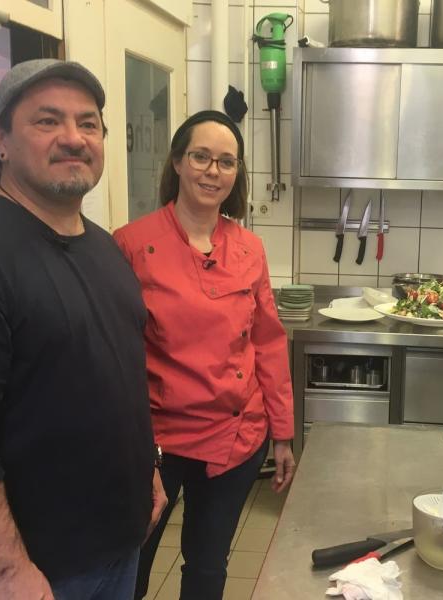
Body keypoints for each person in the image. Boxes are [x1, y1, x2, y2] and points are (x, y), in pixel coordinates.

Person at [0, 59, 166, 599]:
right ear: (0, 138)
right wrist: (7, 567)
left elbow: (115, 379)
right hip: (32, 572)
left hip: (115, 545)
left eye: (88, 123)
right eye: (47, 121)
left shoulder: (101, 247)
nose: (73, 138)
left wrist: (149, 469)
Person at [113, 110, 296, 600]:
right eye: (201, 157)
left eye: (226, 162)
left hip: (236, 436)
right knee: (134, 563)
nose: (212, 171)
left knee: (208, 566)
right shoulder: (131, 245)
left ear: (237, 174)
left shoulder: (249, 248)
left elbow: (269, 344)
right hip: (158, 442)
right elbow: (118, 357)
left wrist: (282, 434)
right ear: (177, 162)